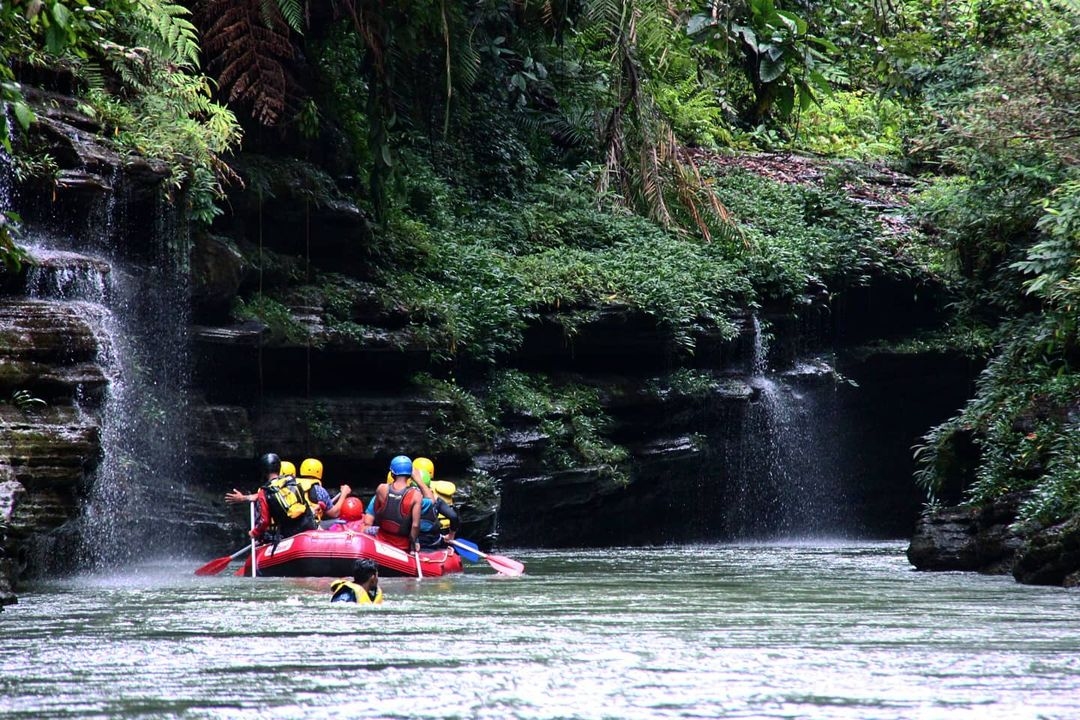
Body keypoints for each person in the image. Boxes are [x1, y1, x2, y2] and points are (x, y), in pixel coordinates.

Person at [225, 452, 315, 541]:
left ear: (264, 471)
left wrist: (254, 532)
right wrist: (245, 498)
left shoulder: (264, 492)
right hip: (308, 526)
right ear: (279, 468)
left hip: (290, 534)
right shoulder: (292, 481)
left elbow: (264, 521)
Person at [361, 455, 422, 553]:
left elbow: (376, 511)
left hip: (382, 537)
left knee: (362, 529)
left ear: (392, 473)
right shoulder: (416, 495)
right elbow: (415, 525)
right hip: (402, 544)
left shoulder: (381, 488)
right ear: (410, 474)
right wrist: (413, 543)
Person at [416, 468, 460, 549]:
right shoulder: (436, 500)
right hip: (433, 541)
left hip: (413, 541)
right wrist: (451, 536)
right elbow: (453, 516)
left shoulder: (406, 498)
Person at [297, 457, 351, 523]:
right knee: (341, 522)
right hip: (310, 525)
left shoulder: (293, 486)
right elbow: (334, 513)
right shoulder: (319, 490)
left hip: (292, 525)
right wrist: (344, 493)